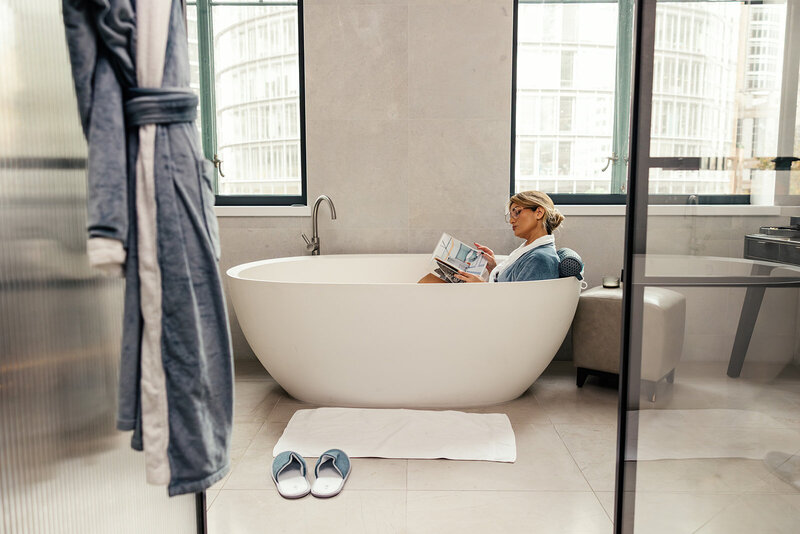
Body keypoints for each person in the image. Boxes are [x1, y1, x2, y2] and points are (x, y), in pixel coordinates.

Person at [418, 191, 564, 283]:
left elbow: (520, 305)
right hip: (491, 306)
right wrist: (493, 266)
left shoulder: (540, 258)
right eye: (511, 215)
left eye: (517, 212)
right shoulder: (530, 250)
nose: (512, 220)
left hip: (494, 315)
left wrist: (481, 286)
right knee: (432, 281)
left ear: (539, 212)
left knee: (429, 284)